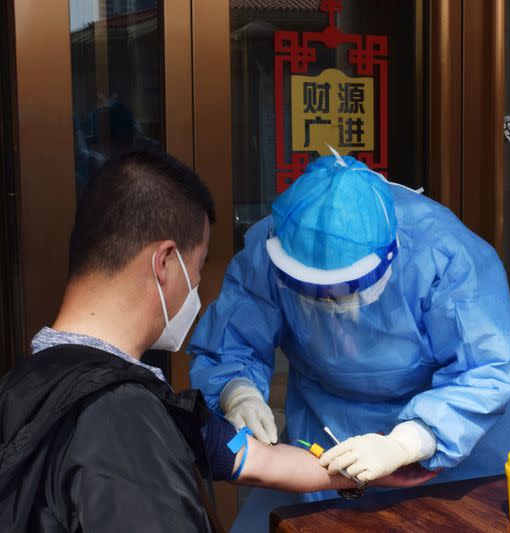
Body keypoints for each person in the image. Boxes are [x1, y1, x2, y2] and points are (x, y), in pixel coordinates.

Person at [0, 151, 423, 533]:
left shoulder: (29, 383)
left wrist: (376, 466)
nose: (200, 287)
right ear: (165, 262)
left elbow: (252, 457)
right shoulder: (118, 421)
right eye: (199, 266)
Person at [188, 151, 510, 503]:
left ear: (388, 258)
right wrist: (236, 390)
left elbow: (488, 368)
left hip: (451, 442)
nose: (329, 305)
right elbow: (230, 342)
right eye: (311, 292)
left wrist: (409, 441)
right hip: (327, 427)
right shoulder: (274, 246)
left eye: (345, 289)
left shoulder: (443, 255)